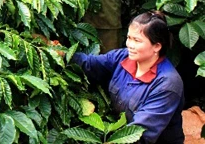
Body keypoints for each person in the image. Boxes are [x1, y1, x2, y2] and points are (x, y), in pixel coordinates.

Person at [72, 11, 185, 144]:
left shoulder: (167, 84)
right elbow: (90, 65)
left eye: (137, 40)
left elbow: (140, 133)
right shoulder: (123, 57)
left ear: (157, 46)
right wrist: (58, 53)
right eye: (129, 38)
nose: (129, 45)